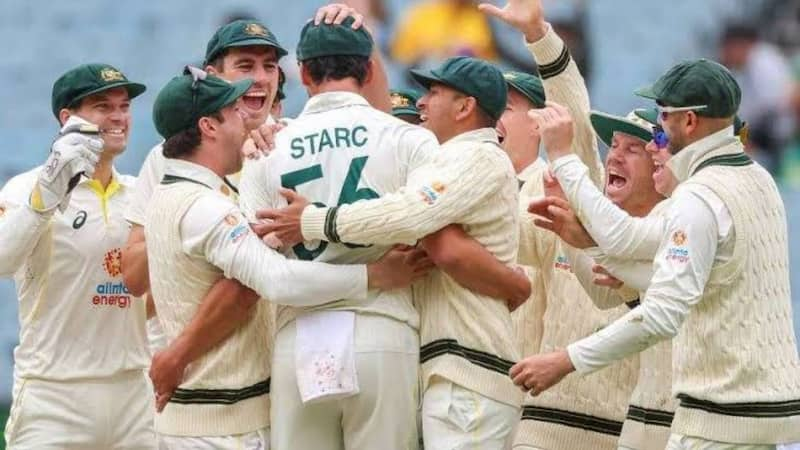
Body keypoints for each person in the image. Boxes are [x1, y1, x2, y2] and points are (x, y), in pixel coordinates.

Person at [239, 18, 529, 450]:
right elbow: (439, 234)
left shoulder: (265, 149)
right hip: (385, 328)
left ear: (301, 73)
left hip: (298, 332)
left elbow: (256, 263)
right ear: (370, 71)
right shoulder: (412, 140)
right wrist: (515, 282)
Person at [514, 59, 800, 449]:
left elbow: (661, 309)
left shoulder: (698, 195)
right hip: (763, 416)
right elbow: (682, 268)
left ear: (689, 121)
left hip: (716, 420)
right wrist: (590, 244)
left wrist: (566, 360)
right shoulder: (759, 179)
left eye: (663, 120)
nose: (655, 140)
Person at [146, 68, 428, 449]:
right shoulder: (206, 208)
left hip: (200, 415)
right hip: (223, 423)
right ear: (208, 127)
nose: (245, 122)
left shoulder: (168, 195)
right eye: (233, 112)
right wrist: (373, 276)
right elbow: (273, 282)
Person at [0, 63, 155, 449]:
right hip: (54, 396)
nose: (118, 117)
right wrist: (43, 200)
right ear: (67, 118)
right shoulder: (25, 187)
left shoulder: (141, 193)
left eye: (124, 106)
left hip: (133, 393)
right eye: (103, 107)